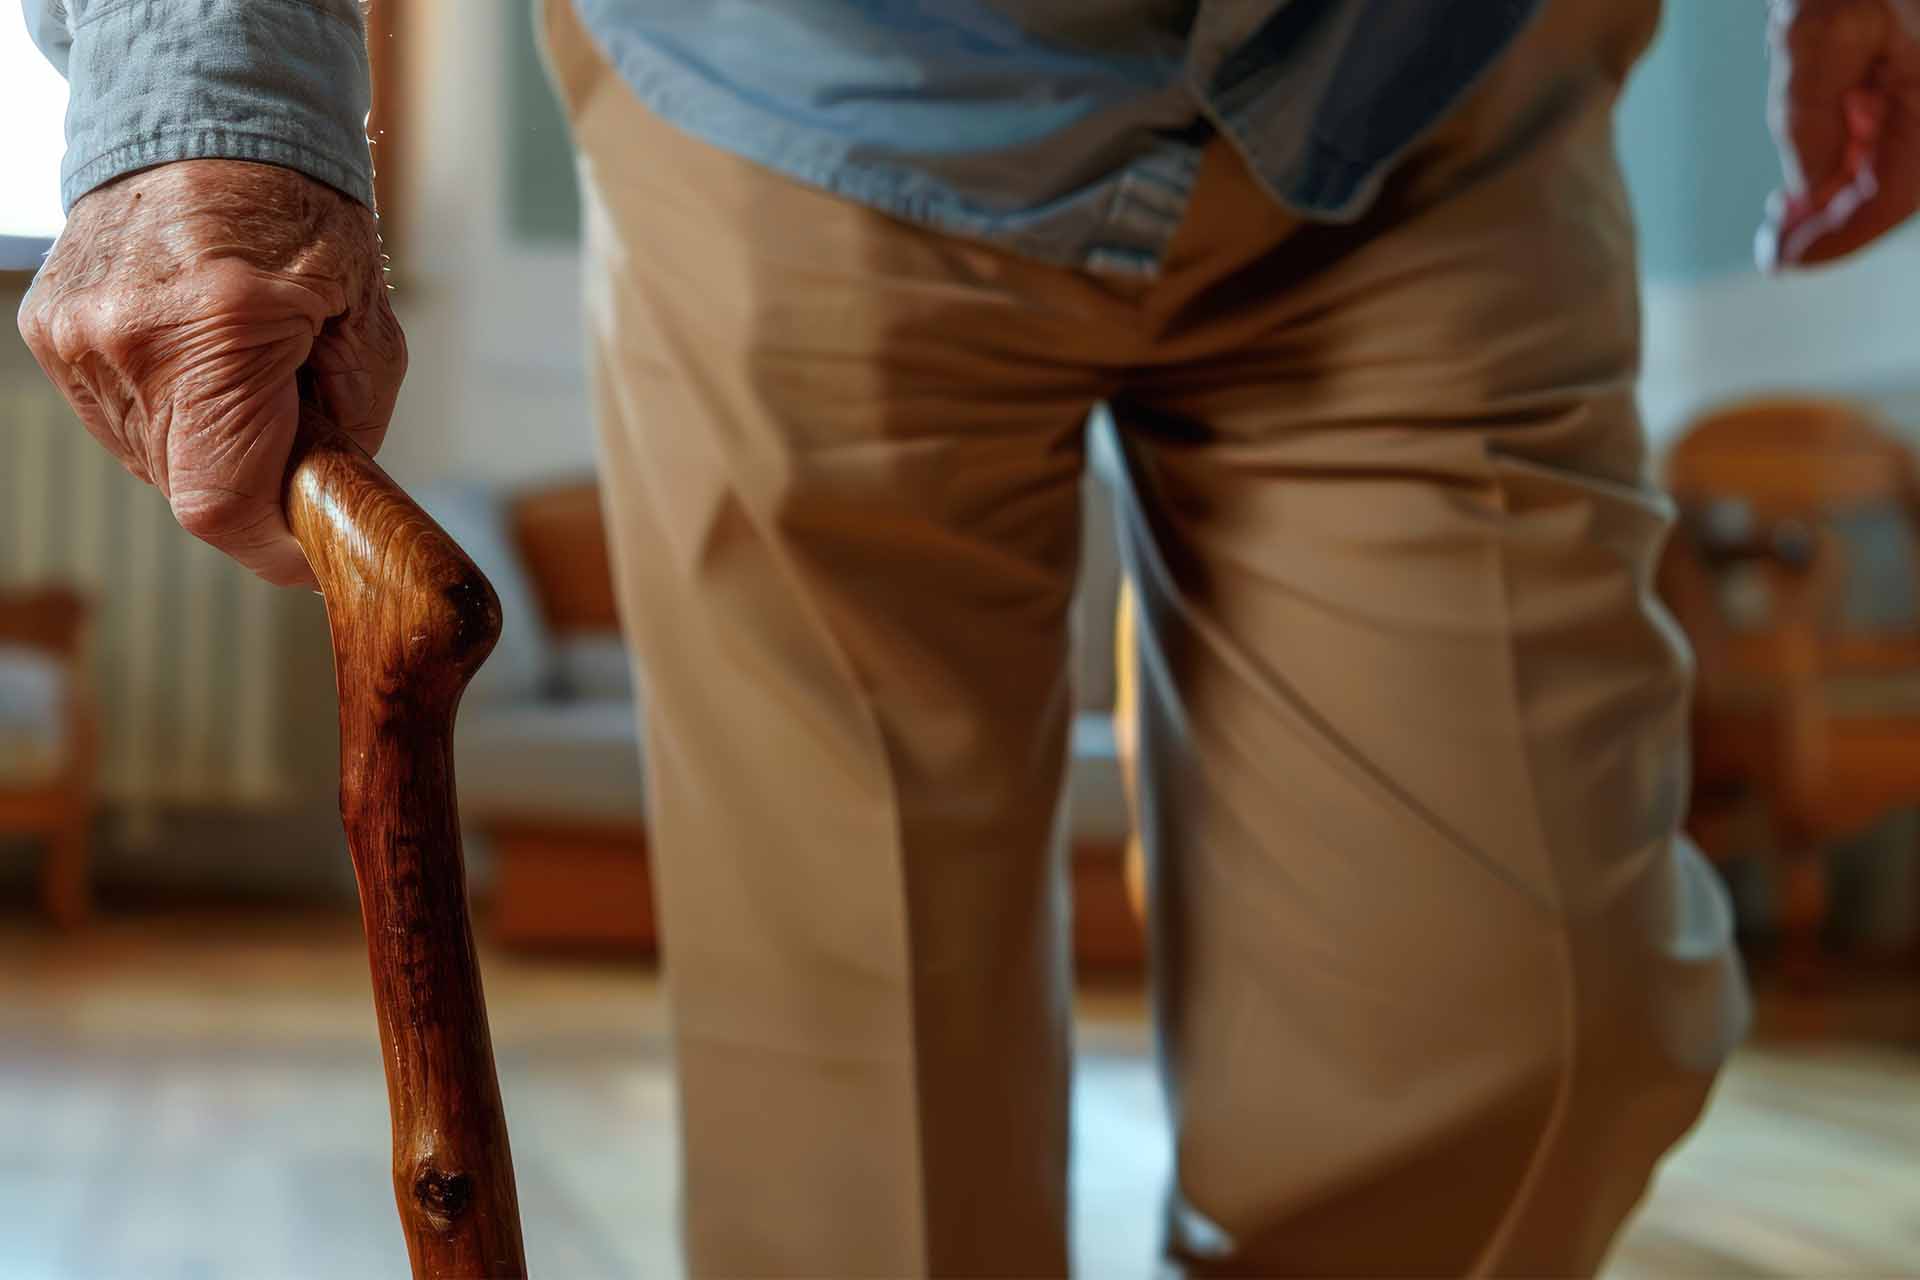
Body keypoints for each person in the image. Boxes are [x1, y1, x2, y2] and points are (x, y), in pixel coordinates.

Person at [15, 1, 1918, 1274]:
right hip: (800, 99)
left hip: (1414, 85)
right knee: (861, 1139)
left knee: (1532, 1021)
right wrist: (200, 88)